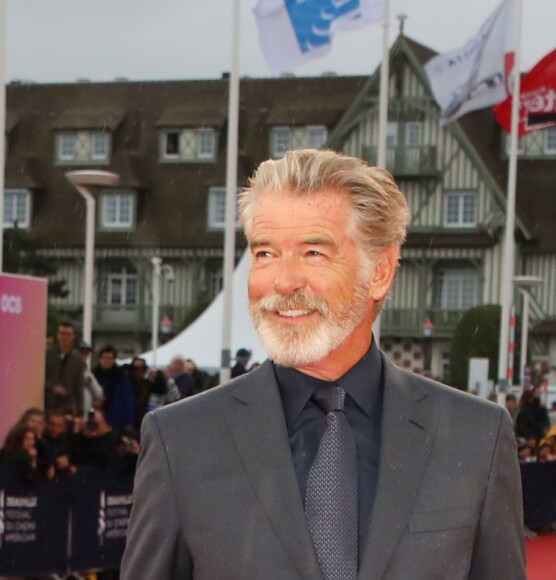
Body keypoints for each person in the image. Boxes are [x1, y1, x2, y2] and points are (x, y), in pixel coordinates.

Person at [122, 149, 526, 579]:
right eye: (265, 253)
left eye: (313, 253)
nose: (282, 281)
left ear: (381, 272)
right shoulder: (181, 440)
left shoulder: (474, 438)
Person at [44, 321, 86, 415]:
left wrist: (80, 413)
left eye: (68, 334)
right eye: (62, 334)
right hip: (48, 405)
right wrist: (52, 387)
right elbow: (39, 379)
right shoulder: (47, 354)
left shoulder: (77, 359)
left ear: (73, 336)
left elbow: (79, 388)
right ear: (58, 335)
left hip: (67, 407)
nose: (65, 337)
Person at [93, 345, 135, 434]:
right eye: (105, 358)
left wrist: (128, 422)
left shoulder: (121, 376)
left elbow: (127, 400)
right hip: (97, 417)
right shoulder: (94, 374)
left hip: (116, 418)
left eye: (110, 358)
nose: (107, 361)